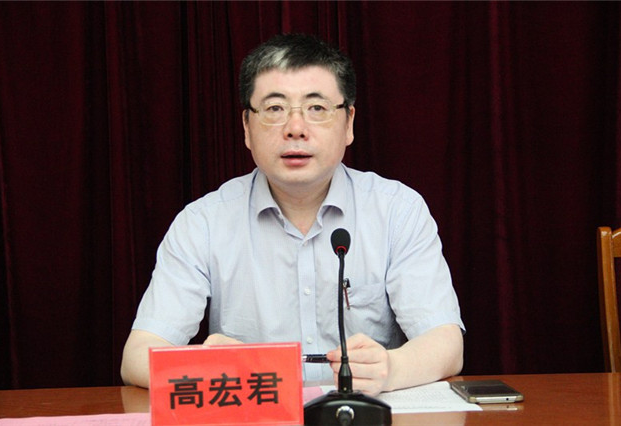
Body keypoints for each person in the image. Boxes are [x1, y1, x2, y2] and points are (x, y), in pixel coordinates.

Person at [121, 33, 464, 396]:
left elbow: (445, 342)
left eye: (316, 108)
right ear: (246, 127)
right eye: (274, 109)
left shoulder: (397, 211)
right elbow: (137, 357)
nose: (295, 129)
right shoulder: (203, 223)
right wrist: (203, 368)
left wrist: (391, 369)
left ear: (348, 123)